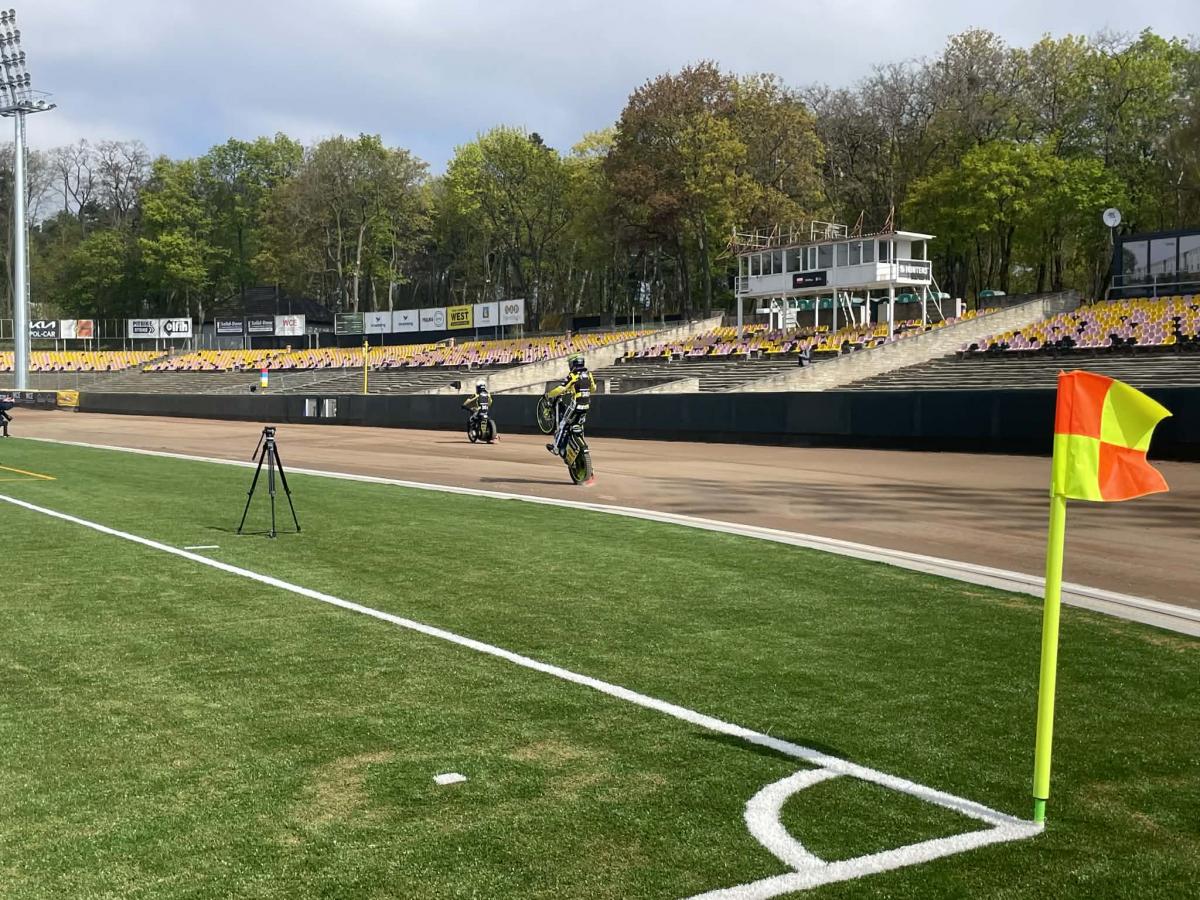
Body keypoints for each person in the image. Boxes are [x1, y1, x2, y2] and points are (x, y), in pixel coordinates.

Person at [546, 353, 595, 456]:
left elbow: (561, 388)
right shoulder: (588, 374)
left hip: (575, 406)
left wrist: (550, 394)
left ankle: (556, 448)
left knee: (563, 423)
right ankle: (581, 447)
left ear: (573, 363)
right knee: (580, 426)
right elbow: (593, 388)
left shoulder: (573, 375)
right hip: (586, 405)